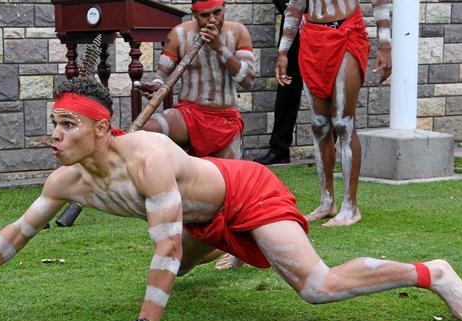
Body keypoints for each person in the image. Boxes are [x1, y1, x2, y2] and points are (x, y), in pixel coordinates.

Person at [0, 77, 462, 321]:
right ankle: (228, 254)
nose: (53, 135)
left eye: (67, 124)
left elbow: (167, 247)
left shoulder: (149, 158)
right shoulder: (66, 180)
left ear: (103, 128)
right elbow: (16, 233)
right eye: (53, 124)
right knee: (176, 270)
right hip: (203, 219)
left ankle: (433, 272)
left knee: (316, 286)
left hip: (247, 194)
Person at [275, 0, 392, 227]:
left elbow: (380, 2)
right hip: (311, 36)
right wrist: (283, 52)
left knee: (343, 123)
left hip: (346, 32)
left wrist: (385, 46)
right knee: (319, 124)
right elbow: (295, 7)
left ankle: (351, 206)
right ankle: (327, 201)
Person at [136, 0, 254, 160]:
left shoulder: (238, 32)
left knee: (227, 177)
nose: (212, 19)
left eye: (217, 13)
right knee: (144, 129)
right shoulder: (179, 33)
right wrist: (156, 87)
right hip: (189, 114)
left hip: (226, 119)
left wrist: (220, 48)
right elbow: (161, 76)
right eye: (205, 15)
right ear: (194, 14)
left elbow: (247, 81)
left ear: (224, 8)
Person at [255, 0, 307, 166]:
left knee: (328, 90)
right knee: (287, 91)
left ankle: (332, 147)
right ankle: (279, 150)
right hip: (294, 30)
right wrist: (293, 11)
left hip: (326, 28)